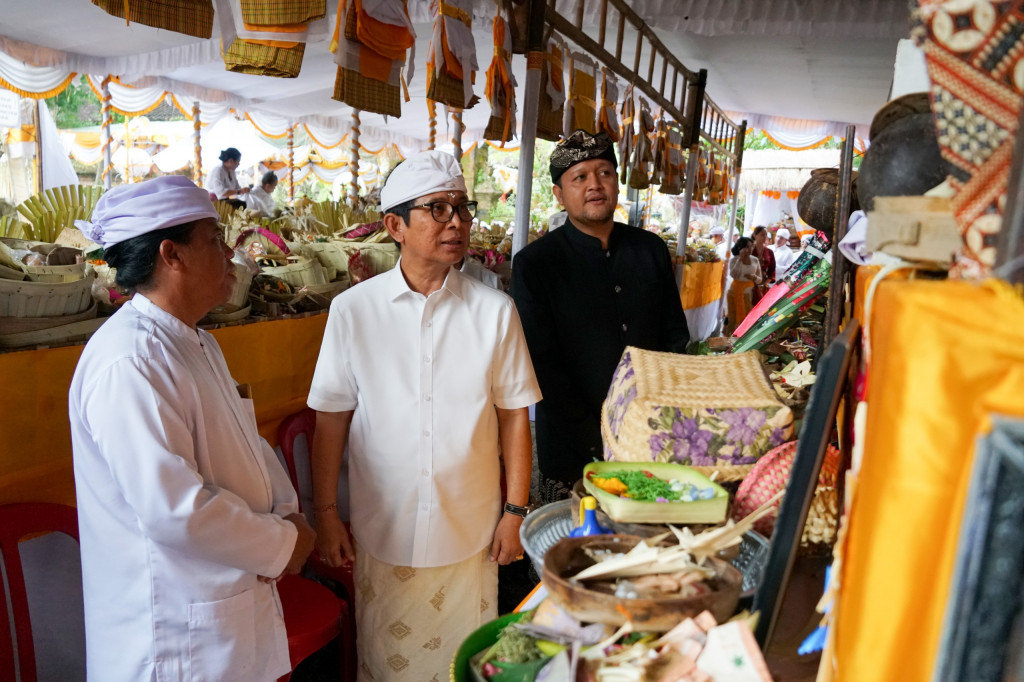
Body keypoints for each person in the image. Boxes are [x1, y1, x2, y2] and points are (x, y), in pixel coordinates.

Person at [69, 176, 316, 681]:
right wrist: (281, 544)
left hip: (219, 613)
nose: (229, 254)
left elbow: (248, 449)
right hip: (174, 637)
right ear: (171, 255)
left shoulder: (195, 341)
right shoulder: (130, 360)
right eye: (213, 240)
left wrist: (289, 517)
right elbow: (175, 510)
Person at [308, 150, 541, 680]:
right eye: (437, 209)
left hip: (471, 532)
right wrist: (325, 515)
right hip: (383, 529)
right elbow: (331, 419)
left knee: (463, 663)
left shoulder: (494, 311)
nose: (456, 221)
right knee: (388, 665)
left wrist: (515, 510)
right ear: (395, 225)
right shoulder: (353, 311)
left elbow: (514, 417)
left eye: (462, 207)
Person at [510, 130, 690, 504]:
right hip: (573, 449)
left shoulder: (650, 250)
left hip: (649, 436)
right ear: (559, 194)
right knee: (571, 552)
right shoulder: (536, 264)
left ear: (617, 181)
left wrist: (656, 420)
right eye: (580, 177)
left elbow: (674, 338)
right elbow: (541, 365)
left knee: (644, 551)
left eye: (605, 172)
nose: (595, 184)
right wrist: (601, 437)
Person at [727, 236, 763, 335]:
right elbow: (733, 274)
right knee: (732, 320)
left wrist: (754, 277)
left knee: (749, 319)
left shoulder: (755, 260)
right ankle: (730, 342)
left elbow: (760, 280)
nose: (750, 249)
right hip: (734, 292)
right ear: (740, 248)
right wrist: (740, 259)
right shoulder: (734, 260)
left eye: (751, 246)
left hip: (749, 294)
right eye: (747, 247)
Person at [750, 225, 776, 304]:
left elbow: (772, 269)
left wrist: (767, 282)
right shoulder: (748, 250)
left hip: (763, 284)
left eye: (766, 235)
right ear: (755, 235)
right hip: (749, 282)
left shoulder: (769, 252)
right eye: (762, 234)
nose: (764, 237)